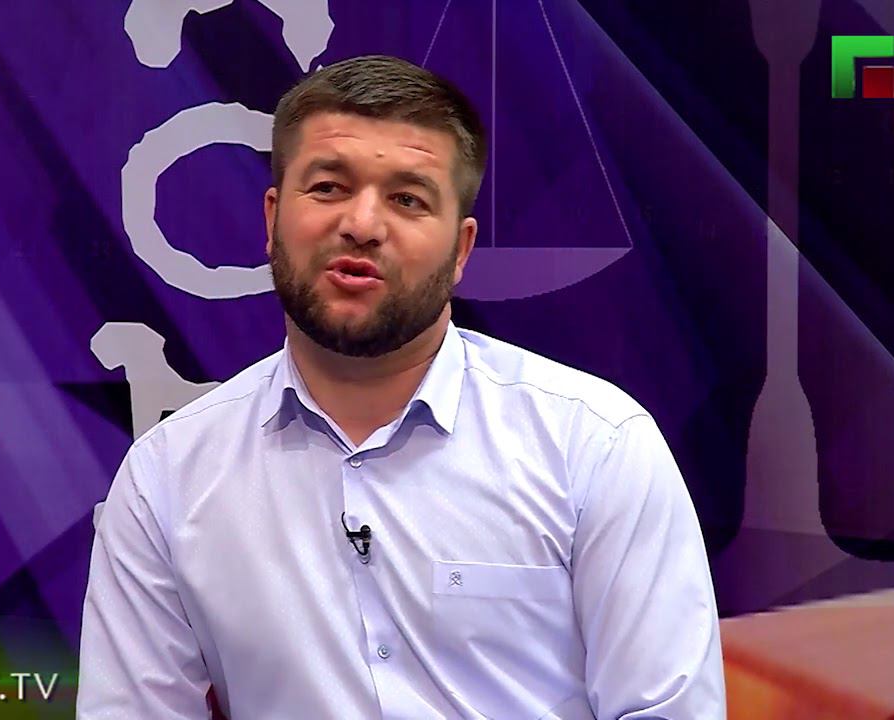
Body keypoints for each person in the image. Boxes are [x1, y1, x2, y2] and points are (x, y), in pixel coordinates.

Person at [76, 55, 724, 719]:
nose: (362, 224)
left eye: (408, 199)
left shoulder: (593, 445)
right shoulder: (168, 476)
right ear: (272, 219)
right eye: (328, 187)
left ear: (461, 249)